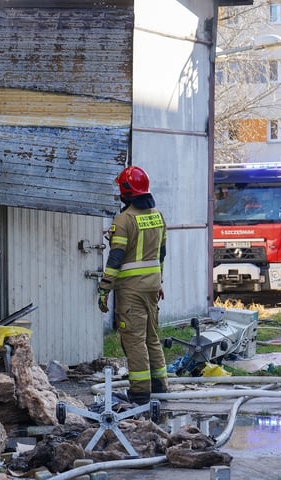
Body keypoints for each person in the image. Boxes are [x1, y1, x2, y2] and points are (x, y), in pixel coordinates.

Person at [97, 166, 168, 405]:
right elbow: (161, 253)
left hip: (132, 290)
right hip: (152, 287)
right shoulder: (158, 216)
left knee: (134, 339)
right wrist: (160, 281)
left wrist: (105, 288)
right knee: (152, 338)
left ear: (126, 192)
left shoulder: (124, 220)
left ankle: (139, 393)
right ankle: (159, 386)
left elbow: (116, 258)